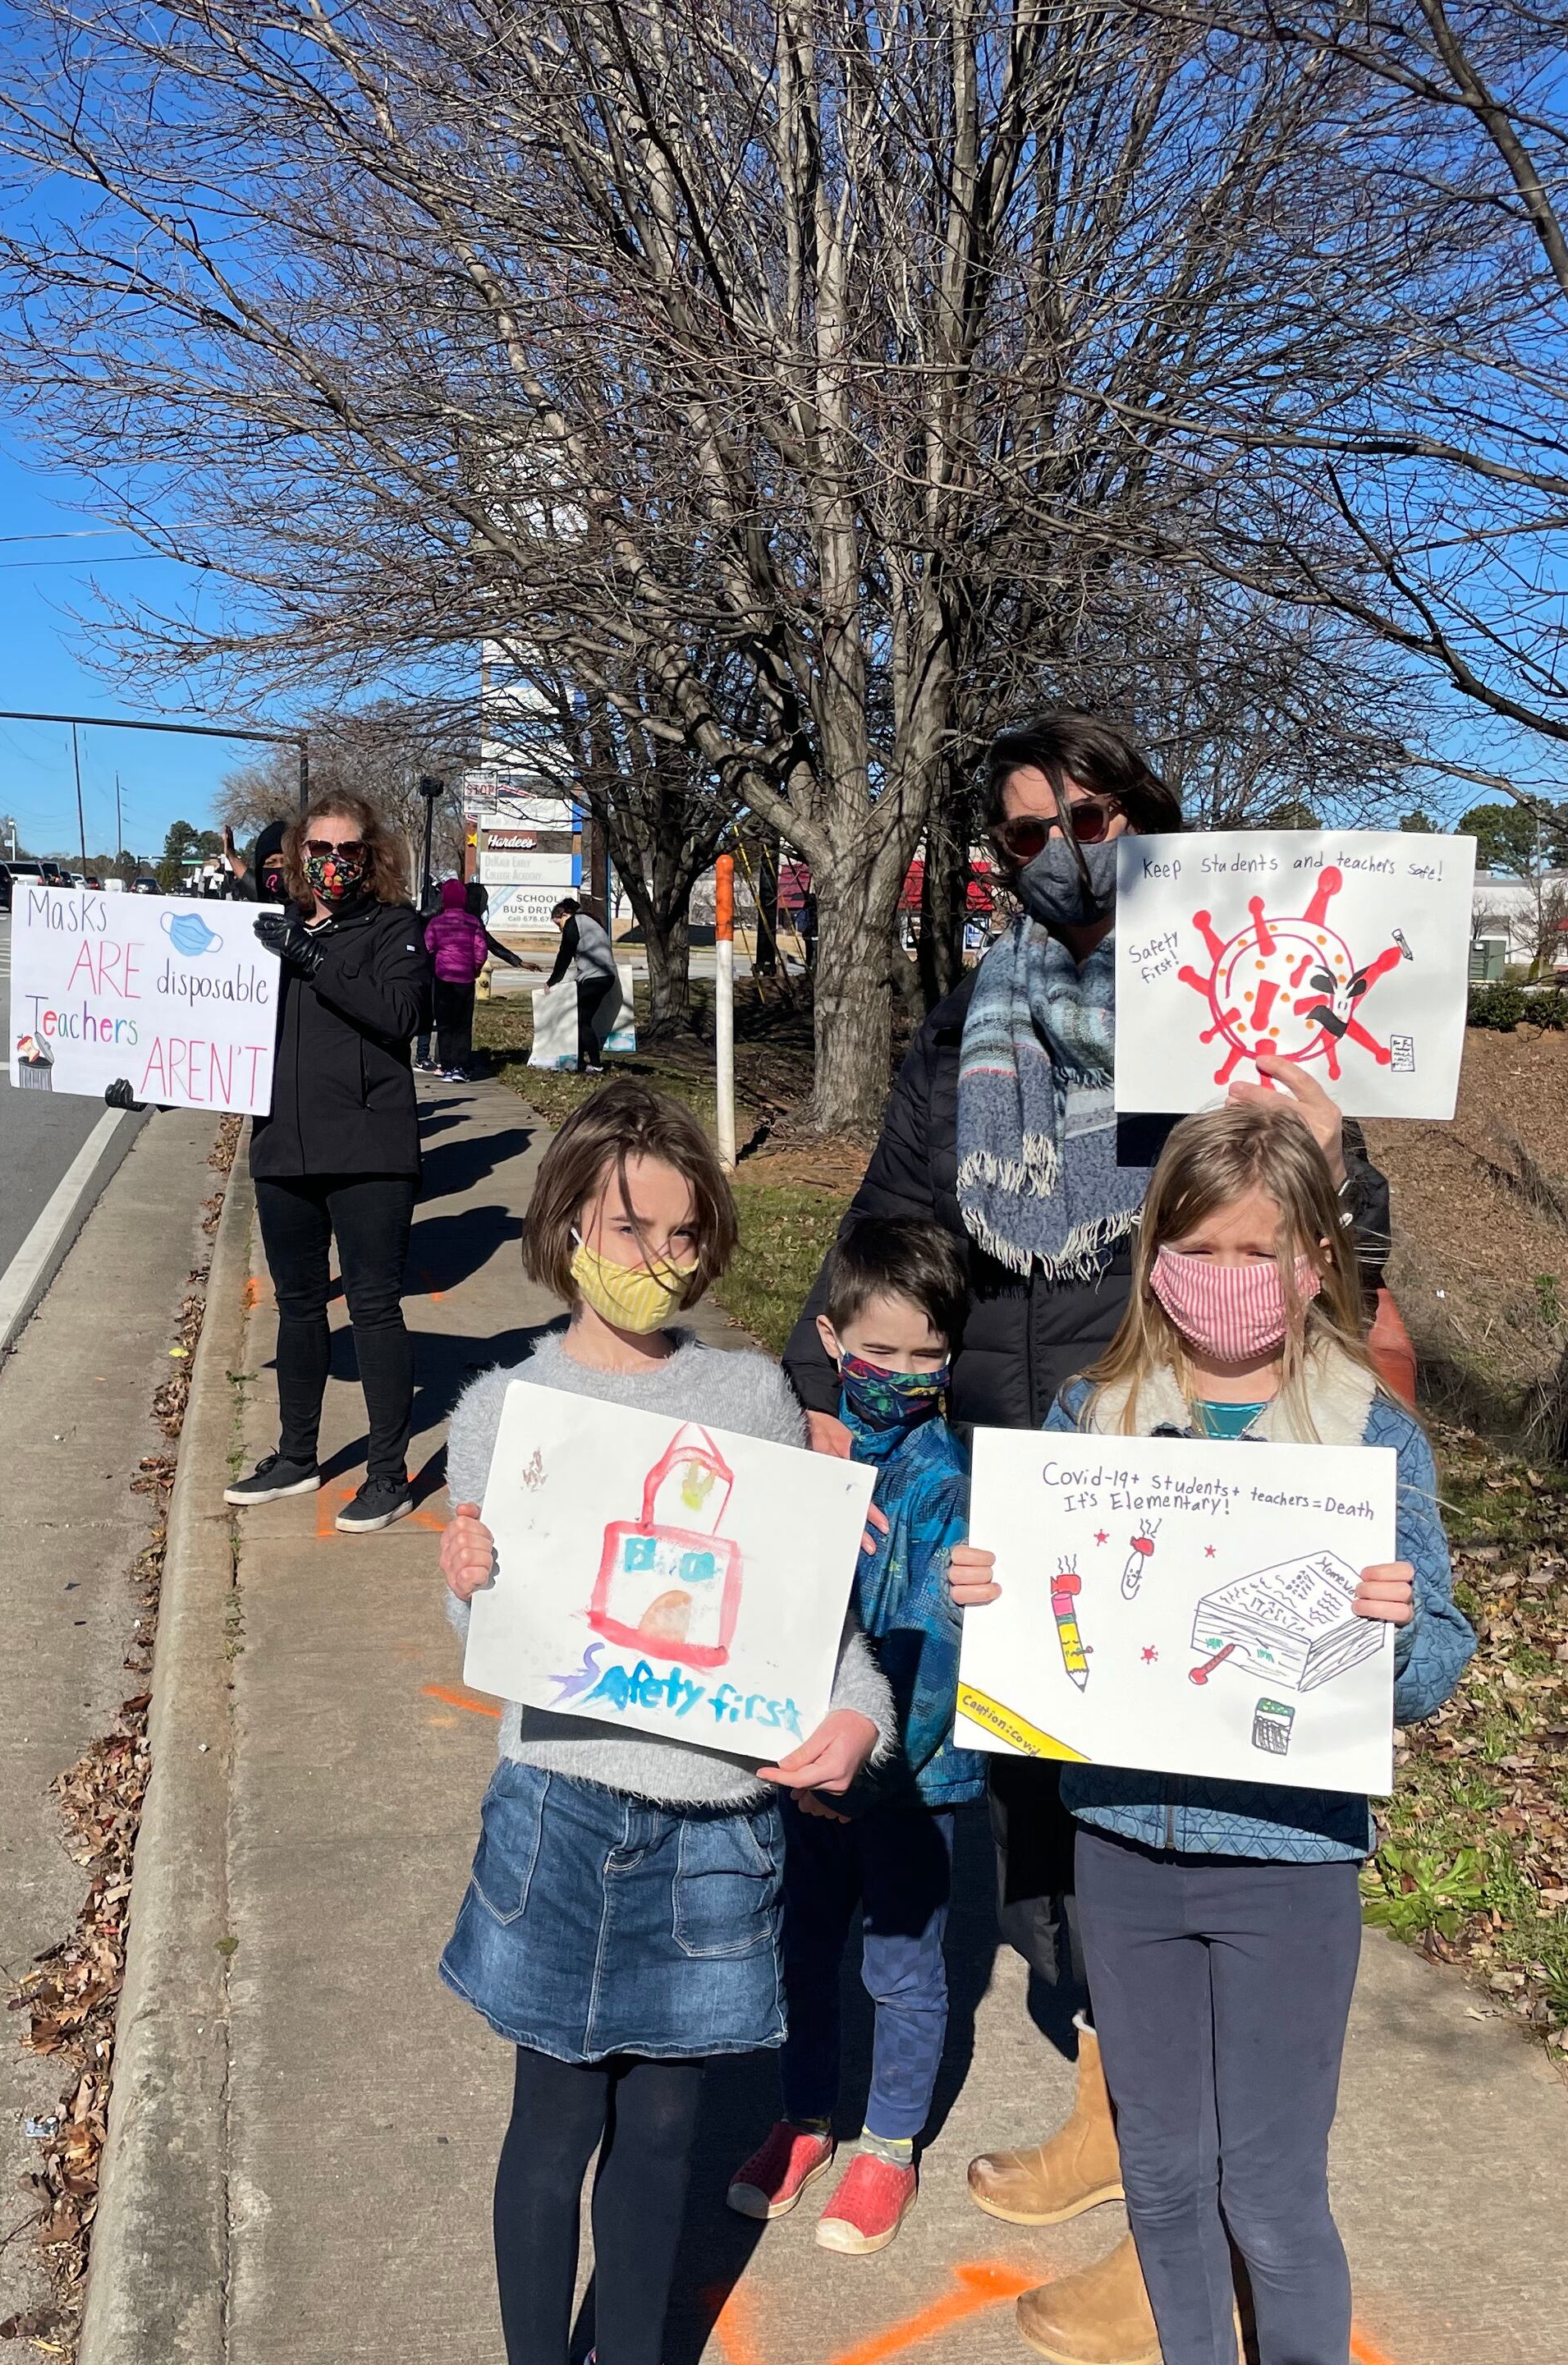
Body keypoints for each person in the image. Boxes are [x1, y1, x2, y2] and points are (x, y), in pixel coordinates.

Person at [945, 1099, 1474, 2365]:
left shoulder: (1373, 1439)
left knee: (1274, 2194)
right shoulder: (1090, 1425)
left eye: (1262, 1254)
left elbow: (1439, 1661)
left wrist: (1392, 1633)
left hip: (1290, 1868)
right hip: (1123, 1857)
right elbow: (1030, 1651)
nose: (1230, 1282)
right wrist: (985, 1599)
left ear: (1316, 1267)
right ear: (1155, 1257)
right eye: (1202, 1249)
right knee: (1168, 2179)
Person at [438, 1081, 896, 2365]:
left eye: (683, 1235)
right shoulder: (498, 1419)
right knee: (552, 2130)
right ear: (566, 1225)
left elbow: (816, 1635)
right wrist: (464, 1579)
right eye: (627, 1228)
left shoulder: (750, 1401)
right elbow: (500, 1646)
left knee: (662, 2140)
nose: (656, 1259)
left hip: (716, 1836)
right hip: (559, 1820)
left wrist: (859, 1722)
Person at [729, 1215, 983, 2257]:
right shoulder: (794, 1456)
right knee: (800, 1946)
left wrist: (864, 1775)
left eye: (929, 1356)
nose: (904, 1373)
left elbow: (939, 1658)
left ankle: (888, 2144)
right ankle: (805, 2117)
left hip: (912, 1785)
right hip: (801, 1776)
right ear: (834, 1342)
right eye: (880, 1351)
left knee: (903, 1966)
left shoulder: (948, 1489)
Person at [224, 788, 432, 1532]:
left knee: (374, 1307)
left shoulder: (392, 928)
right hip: (285, 1146)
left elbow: (404, 1014)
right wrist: (145, 1079)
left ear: (369, 856)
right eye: (321, 851)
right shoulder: (263, 934)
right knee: (298, 1304)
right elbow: (213, 1031)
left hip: (370, 1149)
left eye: (350, 851)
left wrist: (313, 960)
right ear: (296, 858)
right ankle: (296, 1455)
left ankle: (387, 1473)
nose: (335, 863)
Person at [424, 878, 529, 1079]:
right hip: (464, 978)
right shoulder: (473, 922)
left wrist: (435, 966)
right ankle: (460, 1068)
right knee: (463, 1023)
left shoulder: (436, 923)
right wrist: (474, 969)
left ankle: (446, 1065)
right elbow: (481, 950)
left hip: (443, 977)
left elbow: (429, 947)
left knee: (445, 1023)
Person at [548, 894, 621, 1068]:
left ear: (565, 915)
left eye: (558, 924)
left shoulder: (574, 923)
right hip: (604, 976)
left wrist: (552, 981)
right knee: (580, 1019)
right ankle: (579, 1061)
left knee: (581, 1021)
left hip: (595, 978)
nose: (560, 930)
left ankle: (595, 1065)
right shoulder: (589, 921)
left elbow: (565, 954)